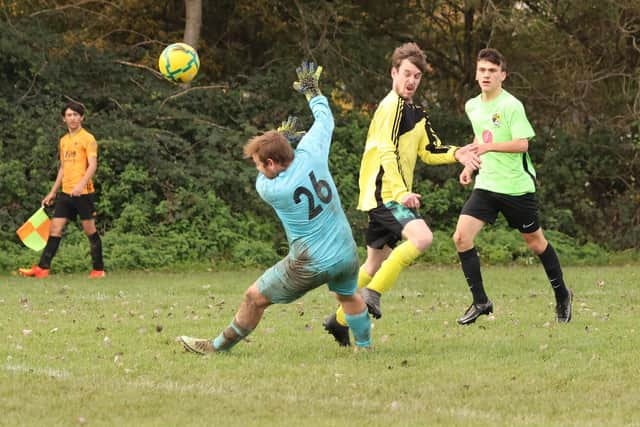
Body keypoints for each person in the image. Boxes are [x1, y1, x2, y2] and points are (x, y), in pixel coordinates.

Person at [178, 61, 372, 354]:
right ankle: (366, 348)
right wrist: (312, 93)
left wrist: (285, 138)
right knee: (348, 297)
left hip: (310, 263)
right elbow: (325, 119)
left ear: (270, 164)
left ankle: (216, 347)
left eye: (258, 164)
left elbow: (264, 178)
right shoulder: (312, 153)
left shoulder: (273, 188)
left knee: (254, 297)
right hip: (346, 252)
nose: (257, 169)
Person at [322, 42, 480, 346]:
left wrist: (458, 152)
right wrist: (401, 192)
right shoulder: (391, 105)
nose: (411, 81)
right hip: (385, 192)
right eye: (406, 74)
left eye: (417, 76)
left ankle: (338, 321)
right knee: (422, 239)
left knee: (374, 264)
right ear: (394, 73)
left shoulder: (417, 112)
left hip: (386, 194)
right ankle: (372, 295)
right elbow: (387, 152)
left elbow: (430, 150)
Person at [453, 47, 572, 325]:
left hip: (516, 187)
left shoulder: (511, 105)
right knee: (461, 238)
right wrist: (469, 166)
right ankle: (481, 301)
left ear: (502, 76)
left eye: (492, 71)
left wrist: (488, 147)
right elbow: (478, 136)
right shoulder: (472, 105)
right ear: (476, 73)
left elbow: (523, 144)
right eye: (482, 70)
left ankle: (562, 295)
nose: (486, 75)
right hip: (486, 185)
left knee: (535, 243)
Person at [19, 102, 105, 279]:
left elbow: (93, 165)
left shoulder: (88, 139)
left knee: (89, 230)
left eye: (75, 115)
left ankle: (98, 270)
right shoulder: (63, 141)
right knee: (55, 229)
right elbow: (63, 168)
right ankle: (42, 269)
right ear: (63, 118)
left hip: (83, 193)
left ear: (82, 117)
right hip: (65, 193)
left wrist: (81, 184)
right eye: (69, 115)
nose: (72, 118)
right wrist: (52, 192)